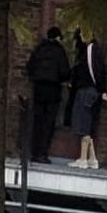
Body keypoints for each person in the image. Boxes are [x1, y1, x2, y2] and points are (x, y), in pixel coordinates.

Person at [26, 26, 70, 163]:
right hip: (53, 91)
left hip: (39, 89)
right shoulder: (59, 51)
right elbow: (65, 72)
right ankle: (43, 153)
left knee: (37, 120)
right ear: (58, 37)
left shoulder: (39, 49)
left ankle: (33, 152)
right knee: (49, 122)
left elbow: (30, 67)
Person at [68, 32, 107, 170]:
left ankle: (83, 158)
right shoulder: (95, 50)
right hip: (91, 90)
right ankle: (92, 158)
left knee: (83, 123)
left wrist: (101, 89)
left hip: (87, 90)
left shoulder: (90, 50)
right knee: (88, 124)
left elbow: (97, 71)